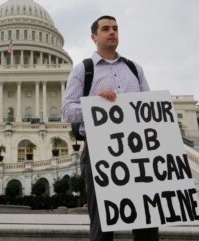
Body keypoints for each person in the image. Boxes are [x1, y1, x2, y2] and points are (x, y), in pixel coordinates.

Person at [62, 15, 159, 241]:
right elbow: (67, 111)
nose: (112, 32)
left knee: (147, 222)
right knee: (103, 224)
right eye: (106, 29)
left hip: (137, 150)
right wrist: (95, 102)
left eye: (115, 28)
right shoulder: (82, 70)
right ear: (94, 37)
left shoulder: (135, 69)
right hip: (99, 150)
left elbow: (149, 109)